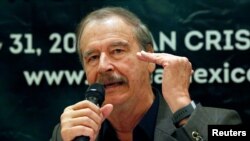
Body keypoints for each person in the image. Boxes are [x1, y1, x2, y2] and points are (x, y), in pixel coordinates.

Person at [50, 6, 242, 141]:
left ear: (150, 59)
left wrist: (182, 106)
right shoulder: (70, 133)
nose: (103, 66)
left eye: (117, 51)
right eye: (92, 57)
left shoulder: (222, 123)